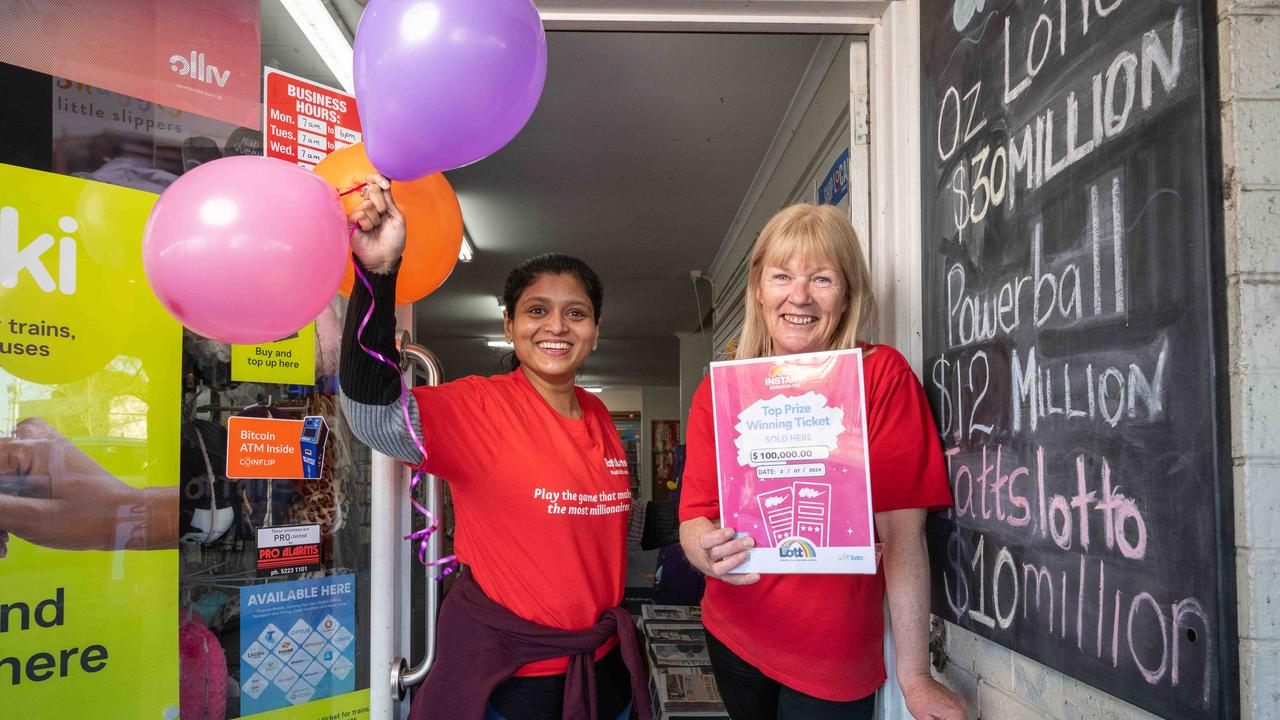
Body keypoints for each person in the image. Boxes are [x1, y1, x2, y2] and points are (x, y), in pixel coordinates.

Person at [339, 175, 660, 720]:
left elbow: (594, 542)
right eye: (536, 311)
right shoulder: (480, 407)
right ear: (509, 326)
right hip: (517, 684)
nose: (556, 326)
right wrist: (377, 275)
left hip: (605, 672)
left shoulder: (600, 414)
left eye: (575, 313)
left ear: (596, 331)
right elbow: (374, 416)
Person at [678, 204, 966, 720]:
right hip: (734, 634)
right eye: (782, 276)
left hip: (833, 657)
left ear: (848, 292)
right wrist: (699, 546)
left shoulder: (881, 378)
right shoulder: (719, 392)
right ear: (759, 289)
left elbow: (904, 536)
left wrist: (916, 676)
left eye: (822, 278)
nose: (800, 296)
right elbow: (694, 515)